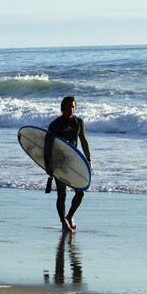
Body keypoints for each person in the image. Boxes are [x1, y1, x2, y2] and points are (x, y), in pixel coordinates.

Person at [44, 96, 92, 232]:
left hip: (74, 162)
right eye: (68, 107)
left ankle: (70, 215)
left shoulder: (79, 123)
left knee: (80, 192)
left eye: (73, 107)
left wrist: (88, 160)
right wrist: (48, 165)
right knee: (62, 194)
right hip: (58, 163)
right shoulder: (55, 124)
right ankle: (63, 223)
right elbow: (47, 145)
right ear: (62, 108)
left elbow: (83, 141)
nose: (71, 109)